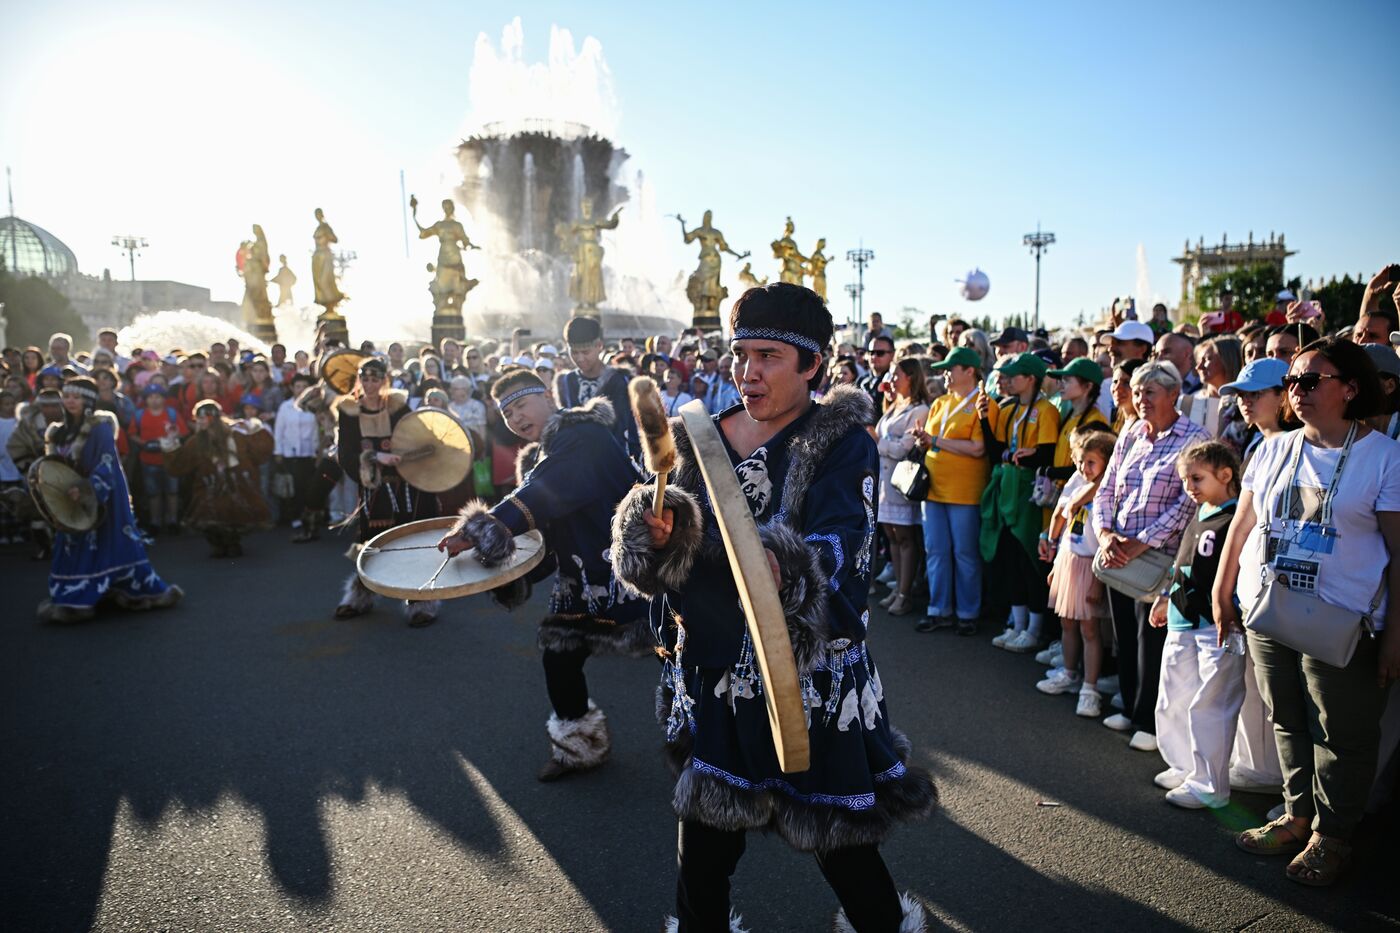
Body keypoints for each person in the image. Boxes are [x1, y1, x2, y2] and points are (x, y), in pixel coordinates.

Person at [611, 283, 934, 930]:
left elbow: (843, 539)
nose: (747, 371)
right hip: (715, 666)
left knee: (838, 835)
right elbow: (664, 530)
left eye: (768, 356)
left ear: (813, 364)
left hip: (807, 675)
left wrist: (784, 565)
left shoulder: (842, 441)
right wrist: (655, 532)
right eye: (741, 354)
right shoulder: (696, 436)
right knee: (704, 839)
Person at [1214, 338, 1400, 886]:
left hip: (1344, 620)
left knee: (1342, 733)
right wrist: (1224, 592)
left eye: (1311, 381)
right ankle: (1297, 817)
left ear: (1350, 388)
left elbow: (1398, 555)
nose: (1298, 391)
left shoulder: (1385, 457)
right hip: (1270, 610)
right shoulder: (1271, 448)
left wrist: (1395, 638)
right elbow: (1241, 528)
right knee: (1287, 718)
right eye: (1293, 381)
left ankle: (1333, 835)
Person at [436, 366, 649, 781]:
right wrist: (503, 571)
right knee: (560, 655)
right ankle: (578, 747)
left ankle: (718, 746)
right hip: (581, 580)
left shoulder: (583, 437)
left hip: (635, 573)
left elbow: (541, 495)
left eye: (521, 405)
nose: (516, 419)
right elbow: (541, 534)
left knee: (680, 658)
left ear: (549, 398)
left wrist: (482, 529)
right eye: (507, 415)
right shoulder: (540, 456)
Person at [1093, 361, 1211, 751]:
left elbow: (1186, 504)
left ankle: (1149, 719)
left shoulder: (1194, 437)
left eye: (1150, 392)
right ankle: (1129, 707)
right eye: (1138, 391)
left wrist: (1140, 542)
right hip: (1119, 549)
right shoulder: (1130, 432)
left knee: (1152, 636)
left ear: (1174, 395)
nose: (1141, 399)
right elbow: (1106, 487)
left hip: (1163, 555)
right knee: (1124, 633)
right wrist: (1106, 533)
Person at [36, 377, 181, 623]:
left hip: (101, 498)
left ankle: (120, 591)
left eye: (77, 396)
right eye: (67, 396)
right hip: (70, 504)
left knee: (109, 541)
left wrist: (86, 489)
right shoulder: (58, 432)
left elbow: (106, 463)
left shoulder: (99, 428)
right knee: (75, 543)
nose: (70, 401)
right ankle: (78, 597)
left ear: (88, 401)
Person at [1148, 441, 1244, 809]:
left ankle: (1210, 784)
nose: (1189, 486)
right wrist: (1163, 597)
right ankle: (1184, 764)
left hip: (1214, 623)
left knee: (1210, 703)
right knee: (1174, 696)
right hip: (1180, 619)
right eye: (1185, 478)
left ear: (1225, 475)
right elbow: (1181, 564)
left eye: (1197, 478)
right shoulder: (1200, 511)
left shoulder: (1236, 517)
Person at [332, 358, 442, 626]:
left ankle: (422, 602)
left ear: (384, 381)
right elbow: (345, 452)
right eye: (365, 379)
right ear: (359, 380)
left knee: (410, 541)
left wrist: (403, 455)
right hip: (375, 487)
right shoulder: (349, 412)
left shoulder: (398, 407)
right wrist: (373, 457)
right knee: (373, 543)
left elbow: (421, 439)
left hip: (407, 487)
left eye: (375, 379)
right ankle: (360, 596)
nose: (369, 384)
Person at [979, 352, 1061, 652]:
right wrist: (984, 419)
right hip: (1008, 488)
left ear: (1030, 379)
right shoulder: (1011, 409)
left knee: (1029, 561)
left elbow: (1046, 453)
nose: (1007, 380)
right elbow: (997, 449)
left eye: (1014, 376)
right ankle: (1018, 623)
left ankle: (1035, 629)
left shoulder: (1046, 410)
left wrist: (1030, 456)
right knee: (1011, 557)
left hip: (1029, 491)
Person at [1038, 424, 1116, 715]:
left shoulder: (1109, 492)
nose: (1084, 468)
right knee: (1067, 622)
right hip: (1069, 559)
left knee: (1090, 628)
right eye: (1081, 461)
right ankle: (1069, 673)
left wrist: (1099, 579)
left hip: (1092, 565)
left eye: (1091, 462)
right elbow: (1064, 518)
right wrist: (1054, 552)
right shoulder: (1077, 482)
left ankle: (1090, 688)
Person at [913, 346, 989, 635]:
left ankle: (968, 613)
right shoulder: (940, 402)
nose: (944, 373)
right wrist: (923, 441)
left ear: (969, 371)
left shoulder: (983, 403)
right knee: (936, 550)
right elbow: (933, 441)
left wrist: (935, 441)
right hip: (933, 489)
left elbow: (978, 448)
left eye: (950, 368)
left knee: (965, 553)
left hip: (964, 492)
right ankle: (938, 609)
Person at [163, 399, 273, 557]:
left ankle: (232, 543)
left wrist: (253, 429)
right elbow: (181, 462)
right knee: (210, 515)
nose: (199, 422)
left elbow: (259, 451)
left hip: (237, 483)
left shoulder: (237, 434)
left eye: (202, 418)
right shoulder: (197, 441)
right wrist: (171, 439)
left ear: (213, 417)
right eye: (198, 418)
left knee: (235, 514)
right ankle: (218, 545)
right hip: (209, 485)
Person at [873, 357, 932, 616]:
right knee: (893, 537)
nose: (892, 380)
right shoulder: (894, 406)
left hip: (901, 480)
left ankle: (905, 593)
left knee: (905, 538)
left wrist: (877, 441)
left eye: (896, 375)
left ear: (911, 377)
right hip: (884, 482)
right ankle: (898, 589)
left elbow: (902, 449)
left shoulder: (919, 410)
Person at [554, 316, 640, 461]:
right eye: (574, 352)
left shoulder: (616, 379)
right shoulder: (568, 380)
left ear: (599, 345)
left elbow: (622, 426)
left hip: (611, 456)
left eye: (586, 352)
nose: (580, 358)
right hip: (576, 457)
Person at [129, 385, 186, 536]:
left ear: (164, 399)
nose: (154, 400)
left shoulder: (171, 414)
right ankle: (155, 521)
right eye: (151, 397)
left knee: (172, 492)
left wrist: (170, 439)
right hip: (148, 459)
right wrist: (144, 443)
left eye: (158, 397)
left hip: (170, 459)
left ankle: (172, 520)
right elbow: (132, 433)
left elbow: (183, 432)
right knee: (153, 494)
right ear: (146, 399)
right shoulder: (140, 415)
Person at [1219, 358, 1293, 468]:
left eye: (1255, 393)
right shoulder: (1254, 444)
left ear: (1283, 397)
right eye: (1240, 394)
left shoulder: (1298, 444)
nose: (1245, 401)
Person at [274, 373, 322, 542]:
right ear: (292, 388)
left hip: (309, 453)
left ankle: (311, 519)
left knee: (309, 487)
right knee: (295, 488)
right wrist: (278, 451)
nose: (301, 390)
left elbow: (318, 429)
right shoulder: (285, 407)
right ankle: (296, 518)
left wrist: (318, 450)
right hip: (291, 453)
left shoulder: (315, 407)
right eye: (297, 386)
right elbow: (279, 430)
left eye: (304, 387)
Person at [857, 334, 895, 421]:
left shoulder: (895, 382)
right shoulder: (861, 380)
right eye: (871, 352)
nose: (874, 356)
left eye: (880, 353)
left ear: (892, 354)